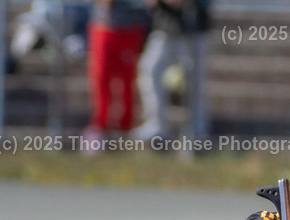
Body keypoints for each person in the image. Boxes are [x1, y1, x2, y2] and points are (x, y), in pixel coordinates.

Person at [134, 0, 211, 141]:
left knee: (194, 80)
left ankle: (197, 128)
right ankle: (156, 126)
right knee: (150, 69)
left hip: (194, 28)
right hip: (165, 26)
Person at [83, 0, 150, 147]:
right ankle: (99, 126)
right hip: (103, 26)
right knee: (101, 77)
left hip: (131, 28)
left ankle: (125, 127)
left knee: (127, 80)